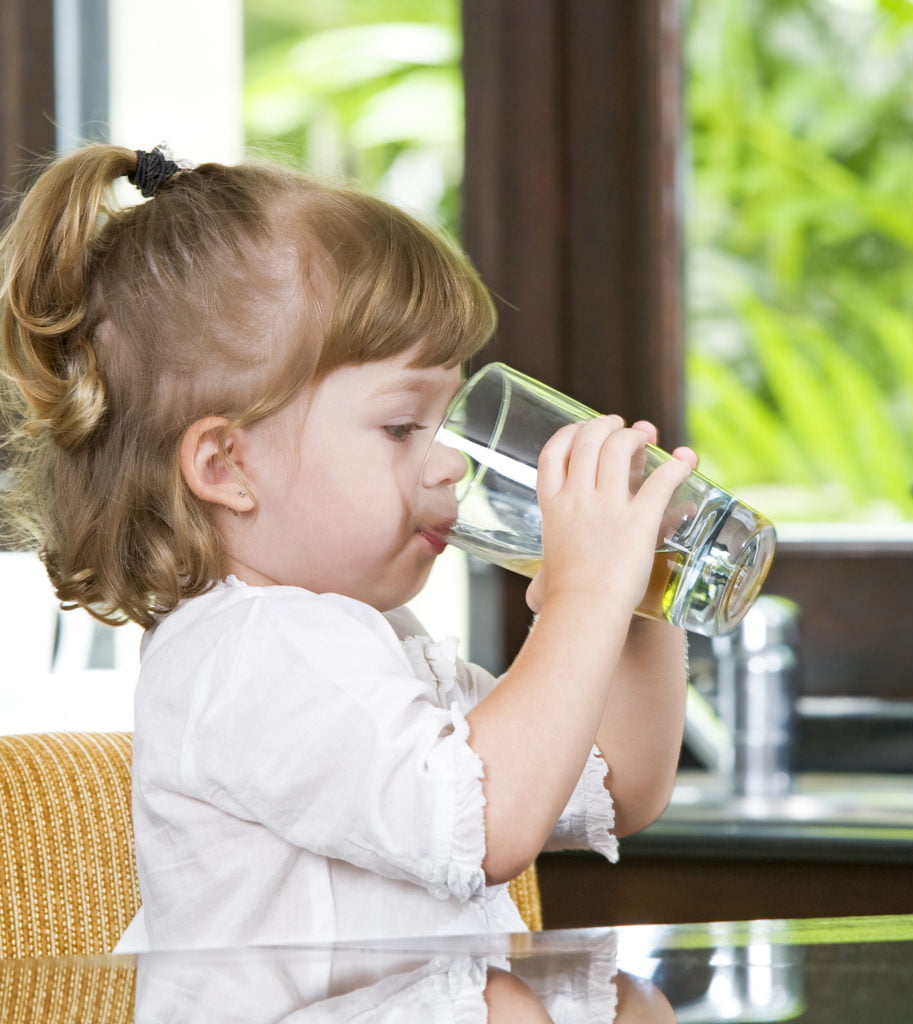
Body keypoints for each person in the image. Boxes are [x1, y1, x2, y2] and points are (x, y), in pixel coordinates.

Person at [0, 144, 696, 951]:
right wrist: (583, 600)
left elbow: (619, 780)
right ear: (228, 466)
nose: (450, 461)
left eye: (449, 418)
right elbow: (483, 826)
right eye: (403, 426)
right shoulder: (246, 655)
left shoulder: (374, 644)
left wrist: (643, 588)